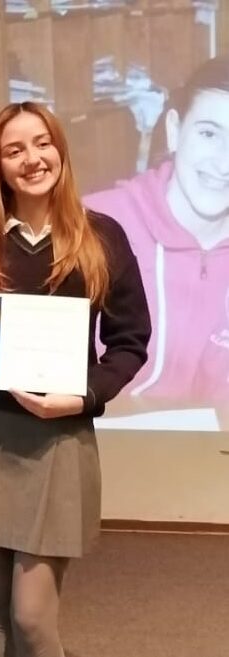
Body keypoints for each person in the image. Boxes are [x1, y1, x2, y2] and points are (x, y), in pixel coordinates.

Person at [0, 101, 150, 657]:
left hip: (56, 442)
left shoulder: (102, 236)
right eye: (14, 150)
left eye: (42, 142)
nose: (32, 158)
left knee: (31, 617)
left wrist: (82, 397)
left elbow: (129, 342)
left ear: (60, 149)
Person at [84, 55, 229, 412]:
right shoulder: (92, 225)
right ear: (175, 130)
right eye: (209, 133)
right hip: (98, 450)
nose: (223, 162)